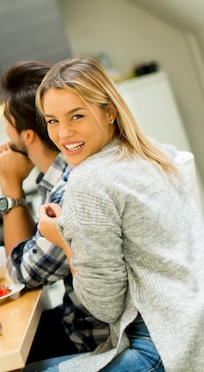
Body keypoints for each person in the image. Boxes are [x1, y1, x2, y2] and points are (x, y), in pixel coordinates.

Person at [27, 57, 204, 372]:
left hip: (164, 346)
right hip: (192, 328)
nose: (63, 133)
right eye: (52, 120)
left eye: (76, 116)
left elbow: (104, 308)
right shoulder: (155, 154)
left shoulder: (89, 182)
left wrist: (63, 237)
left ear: (109, 111)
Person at [0, 61, 108, 363]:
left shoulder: (69, 188)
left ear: (27, 136)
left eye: (7, 123)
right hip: (81, 323)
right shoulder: (56, 181)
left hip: (95, 339)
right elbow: (33, 250)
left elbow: (23, 274)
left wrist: (10, 186)